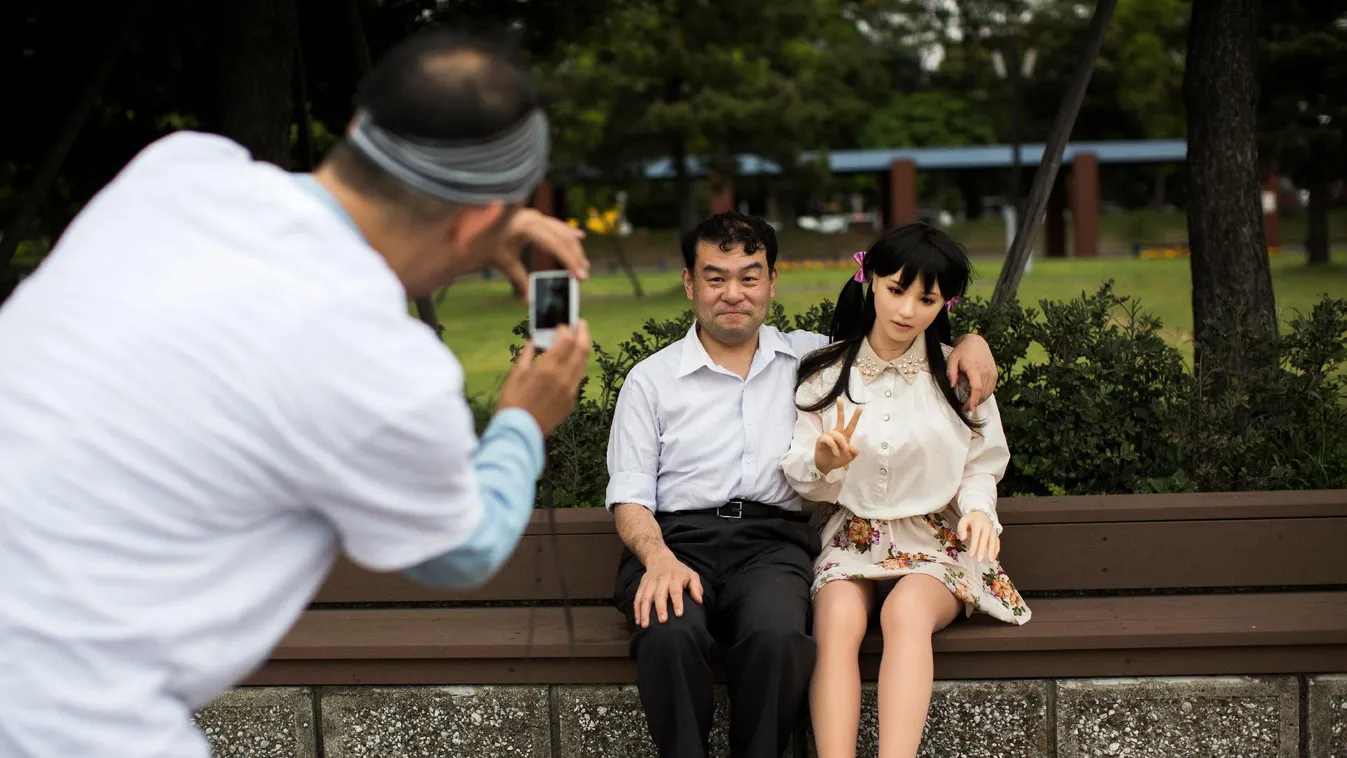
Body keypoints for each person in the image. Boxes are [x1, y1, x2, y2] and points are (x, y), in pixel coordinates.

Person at [0, 30, 591, 758]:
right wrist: (522, 421)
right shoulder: (380, 364)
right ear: (475, 221)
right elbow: (459, 552)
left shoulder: (180, 172)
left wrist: (485, 214)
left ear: (356, 129)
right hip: (65, 720)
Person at [604, 212, 1001, 758]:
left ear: (772, 281)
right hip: (673, 541)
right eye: (715, 277)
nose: (733, 293)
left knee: (781, 638)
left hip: (769, 545)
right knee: (669, 634)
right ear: (689, 282)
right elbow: (629, 496)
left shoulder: (811, 358)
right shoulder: (650, 381)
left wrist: (970, 342)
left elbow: (896, 346)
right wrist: (657, 558)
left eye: (749, 276)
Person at [779, 223, 1031, 758]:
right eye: (895, 289)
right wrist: (824, 464)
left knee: (905, 613)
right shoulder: (824, 375)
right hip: (853, 533)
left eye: (927, 299)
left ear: (945, 304)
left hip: (936, 537)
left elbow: (980, 466)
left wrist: (980, 511)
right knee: (836, 618)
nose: (907, 310)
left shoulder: (959, 378)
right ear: (870, 280)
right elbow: (801, 472)